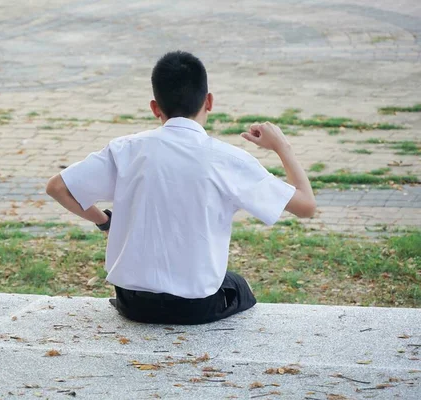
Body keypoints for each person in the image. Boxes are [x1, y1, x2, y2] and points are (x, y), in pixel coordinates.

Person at [46, 51, 316, 325]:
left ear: (155, 108)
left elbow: (58, 187)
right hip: (196, 308)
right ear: (209, 101)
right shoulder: (229, 160)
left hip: (133, 303)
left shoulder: (125, 150)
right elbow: (306, 207)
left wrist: (105, 222)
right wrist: (283, 147)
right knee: (238, 285)